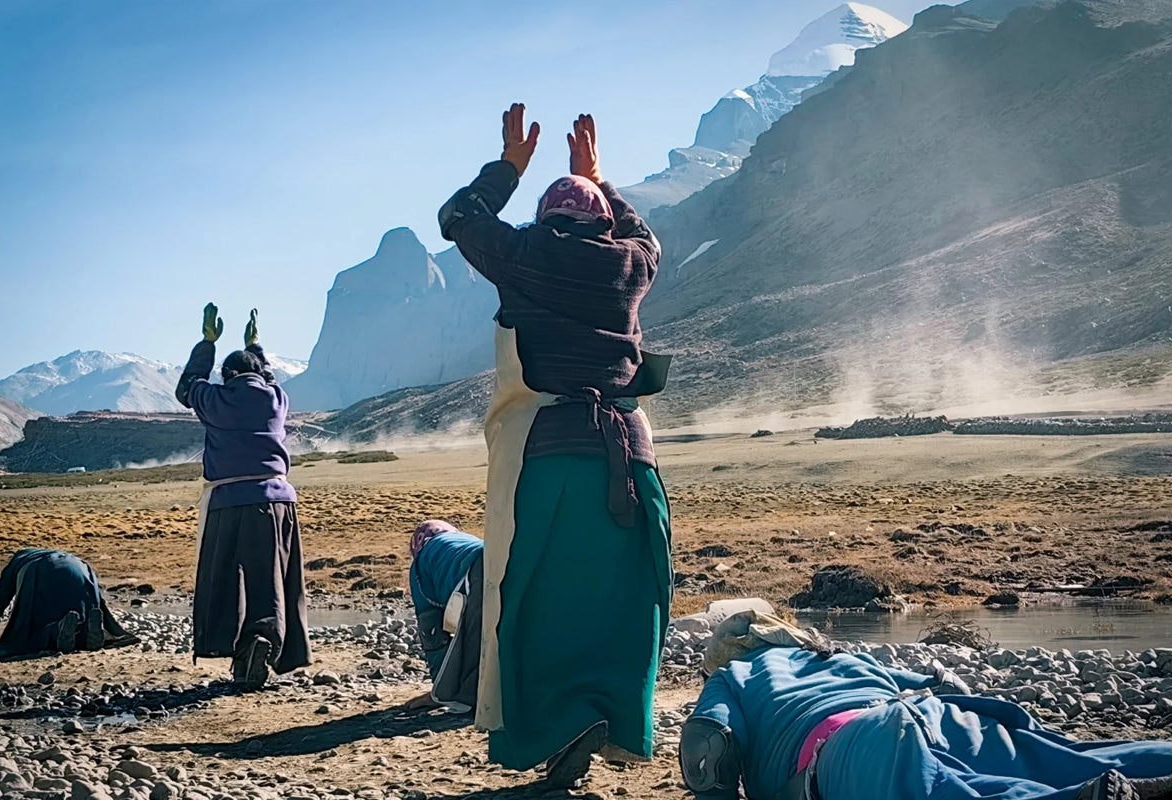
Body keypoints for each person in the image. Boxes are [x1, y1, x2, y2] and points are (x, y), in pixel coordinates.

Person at [438, 104, 674, 786]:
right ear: (604, 222)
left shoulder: (524, 255)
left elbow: (458, 215)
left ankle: (557, 725)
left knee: (535, 596)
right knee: (625, 597)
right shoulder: (632, 264)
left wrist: (508, 166)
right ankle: (608, 716)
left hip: (549, 460)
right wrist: (600, 179)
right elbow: (645, 235)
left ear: (546, 220)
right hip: (631, 459)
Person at [679, 610, 1172, 800]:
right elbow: (946, 682)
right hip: (935, 714)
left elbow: (710, 749)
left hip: (846, 748)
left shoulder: (733, 675)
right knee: (1066, 758)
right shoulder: (837, 656)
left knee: (944, 792)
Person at [175, 304, 310, 690]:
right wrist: (257, 345)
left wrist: (207, 343)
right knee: (270, 579)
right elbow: (267, 377)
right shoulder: (276, 400)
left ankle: (232, 646)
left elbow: (187, 387)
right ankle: (261, 641)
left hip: (227, 502)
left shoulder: (214, 400)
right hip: (276, 502)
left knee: (225, 578)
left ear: (227, 376)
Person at [0, 548, 137, 658]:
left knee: (32, 629)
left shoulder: (17, 561)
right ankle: (89, 632)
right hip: (81, 568)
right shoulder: (61, 555)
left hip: (39, 570)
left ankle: (56, 630)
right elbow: (99, 603)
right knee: (83, 612)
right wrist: (114, 629)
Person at [406, 519, 484, 713]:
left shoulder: (421, 565)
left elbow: (431, 631)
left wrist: (439, 691)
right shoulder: (464, 539)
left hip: (476, 573)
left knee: (475, 638)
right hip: (500, 560)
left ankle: (465, 699)